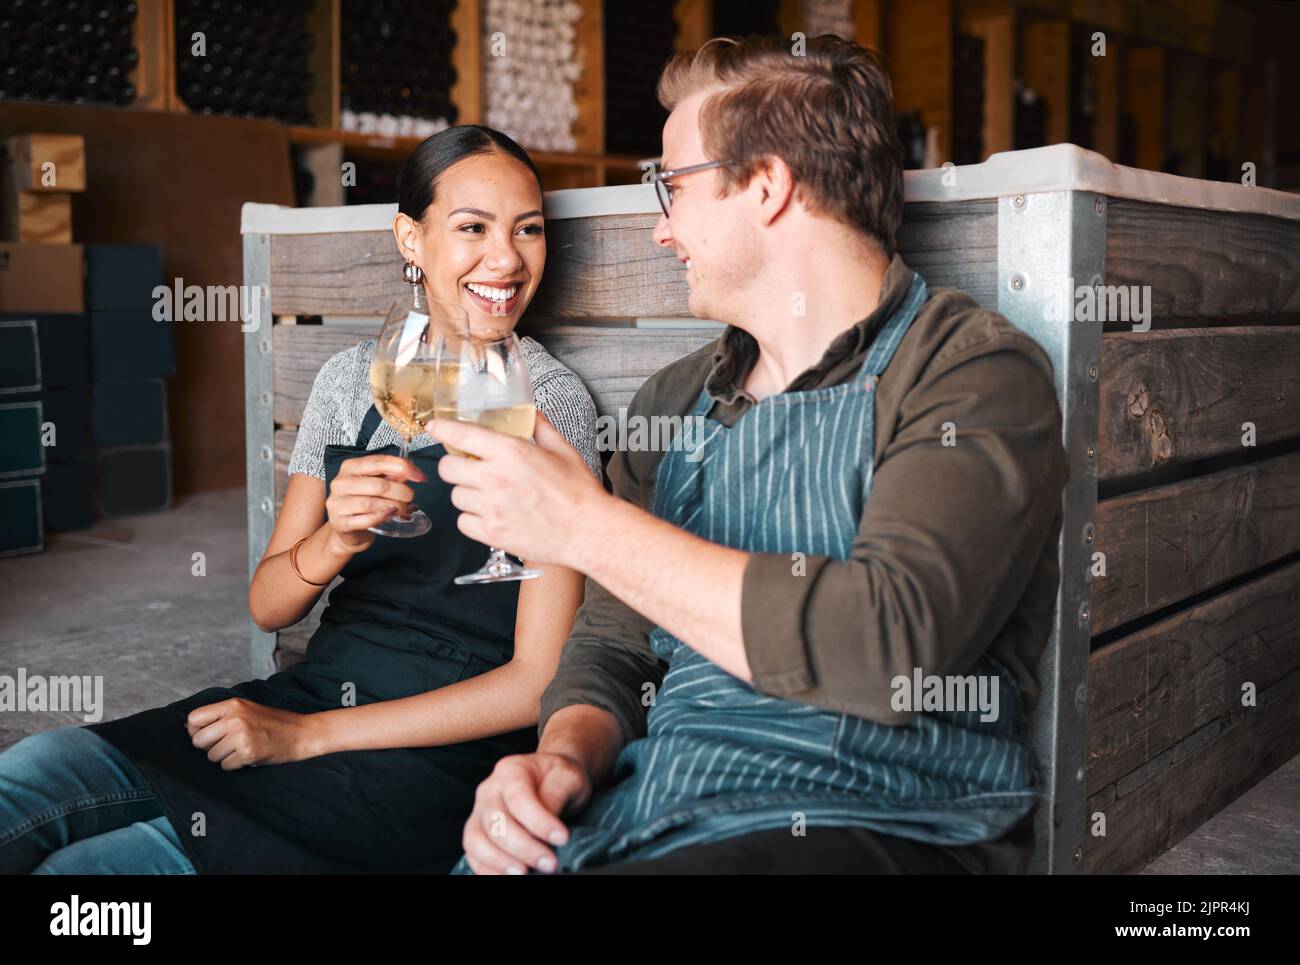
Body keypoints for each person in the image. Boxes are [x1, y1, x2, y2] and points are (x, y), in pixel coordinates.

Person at [429, 36, 1069, 875]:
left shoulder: (971, 370)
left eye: (671, 184)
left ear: (766, 186)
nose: (660, 229)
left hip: (876, 818)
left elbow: (889, 641)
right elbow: (615, 646)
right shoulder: (676, 399)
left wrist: (585, 526)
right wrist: (562, 757)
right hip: (662, 802)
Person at [0, 125, 601, 875]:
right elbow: (269, 603)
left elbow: (536, 678)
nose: (507, 258)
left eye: (528, 230)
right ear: (409, 240)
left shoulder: (549, 401)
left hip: (434, 752)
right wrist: (335, 541)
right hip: (316, 686)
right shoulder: (352, 381)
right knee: (37, 769)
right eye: (473, 228)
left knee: (90, 875)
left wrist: (307, 736)